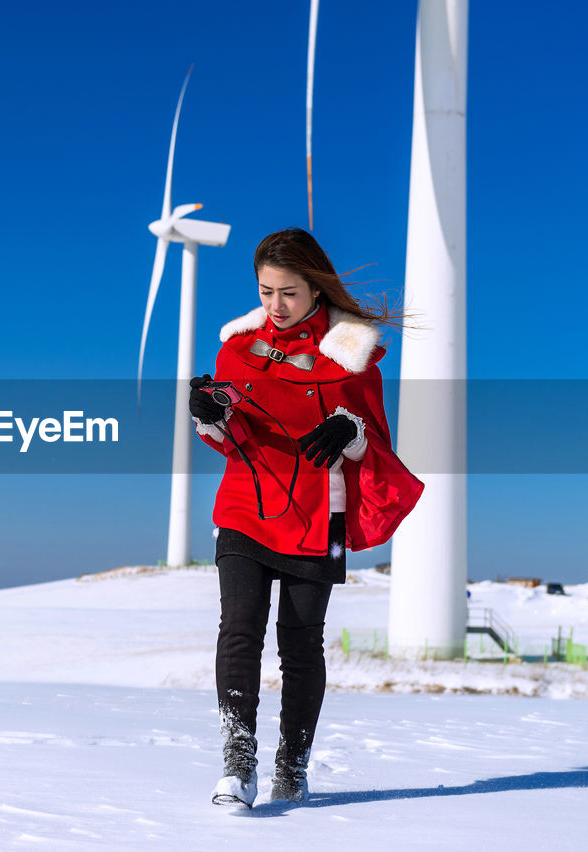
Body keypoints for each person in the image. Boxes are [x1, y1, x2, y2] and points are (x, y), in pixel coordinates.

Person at [189, 228, 424, 807]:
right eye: (265, 291)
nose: (275, 305)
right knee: (238, 629)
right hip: (246, 503)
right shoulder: (236, 348)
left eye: (288, 292)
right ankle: (237, 764)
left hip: (320, 514)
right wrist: (209, 414)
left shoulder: (351, 354)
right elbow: (232, 437)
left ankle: (291, 768)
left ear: (315, 286)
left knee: (300, 645)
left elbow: (379, 449)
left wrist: (352, 432)